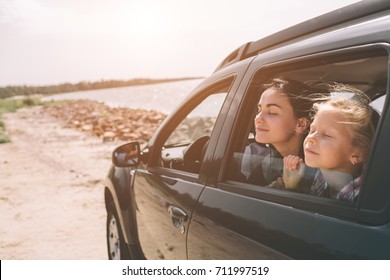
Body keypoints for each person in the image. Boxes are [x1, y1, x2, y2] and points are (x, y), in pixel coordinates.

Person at [283, 84, 375, 202]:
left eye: (327, 135)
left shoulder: (362, 199)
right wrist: (292, 186)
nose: (311, 137)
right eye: (312, 130)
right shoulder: (321, 177)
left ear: (357, 154)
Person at [241, 77, 316, 186]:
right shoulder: (268, 165)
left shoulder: (319, 171)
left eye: (272, 112)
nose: (258, 118)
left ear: (301, 124)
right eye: (259, 110)